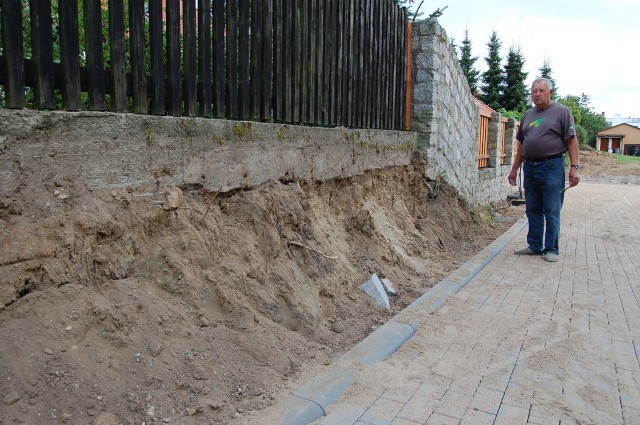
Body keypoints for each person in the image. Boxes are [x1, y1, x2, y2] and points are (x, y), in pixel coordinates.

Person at [508, 77, 580, 262]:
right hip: (530, 167)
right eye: (534, 91)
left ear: (550, 92)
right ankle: (534, 245)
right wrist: (515, 169)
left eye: (541, 90)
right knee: (533, 208)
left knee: (551, 209)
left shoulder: (562, 112)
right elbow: (522, 146)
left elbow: (572, 141)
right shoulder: (528, 114)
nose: (537, 94)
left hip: (552, 166)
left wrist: (574, 167)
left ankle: (551, 249)